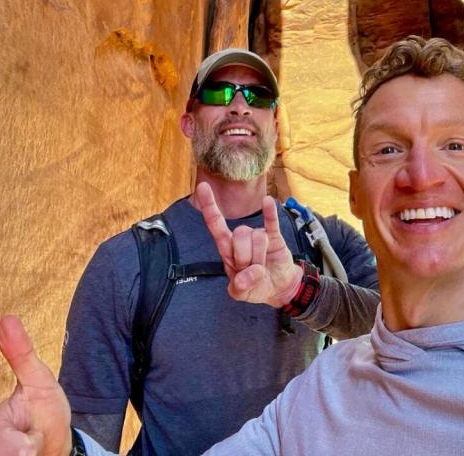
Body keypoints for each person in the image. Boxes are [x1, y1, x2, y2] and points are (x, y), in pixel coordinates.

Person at [0, 37, 464, 456]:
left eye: (258, 94)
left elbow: (389, 318)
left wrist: (298, 290)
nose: (425, 172)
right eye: (393, 150)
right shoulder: (308, 401)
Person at [57, 48, 379, 454]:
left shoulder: (326, 241)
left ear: (276, 126)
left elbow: (404, 329)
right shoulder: (126, 263)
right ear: (188, 123)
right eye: (219, 94)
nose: (240, 106)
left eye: (257, 96)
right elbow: (88, 435)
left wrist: (300, 291)